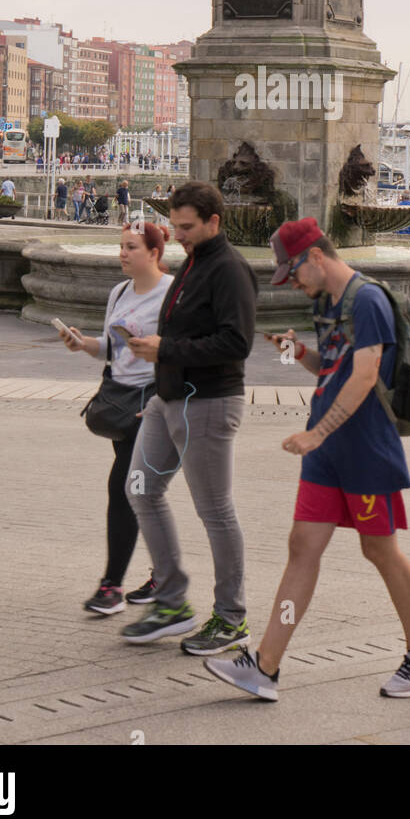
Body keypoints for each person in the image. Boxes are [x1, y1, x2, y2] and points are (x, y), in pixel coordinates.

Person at [203, 217, 410, 702]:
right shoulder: (326, 302)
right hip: (328, 452)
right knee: (302, 547)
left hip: (365, 449)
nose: (291, 281)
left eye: (291, 271)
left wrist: (317, 433)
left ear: (315, 255)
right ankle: (265, 667)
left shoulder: (369, 299)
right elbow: (333, 367)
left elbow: (365, 374)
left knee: (380, 551)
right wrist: (298, 353)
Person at [121, 181, 257, 654]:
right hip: (170, 397)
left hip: (210, 402)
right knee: (140, 487)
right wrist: (157, 370)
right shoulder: (193, 262)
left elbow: (237, 343)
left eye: (187, 227)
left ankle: (231, 617)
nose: (178, 235)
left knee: (215, 511)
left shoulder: (230, 270)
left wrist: (168, 349)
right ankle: (173, 599)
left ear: (213, 222)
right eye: (175, 226)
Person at [57, 222, 174, 614]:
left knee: (125, 487)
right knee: (142, 493)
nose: (122, 254)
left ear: (154, 253)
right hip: (122, 402)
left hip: (153, 406)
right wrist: (84, 343)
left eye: (131, 247)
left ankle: (111, 587)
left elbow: (182, 351)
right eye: (121, 246)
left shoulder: (172, 294)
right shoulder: (119, 292)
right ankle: (163, 574)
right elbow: (112, 349)